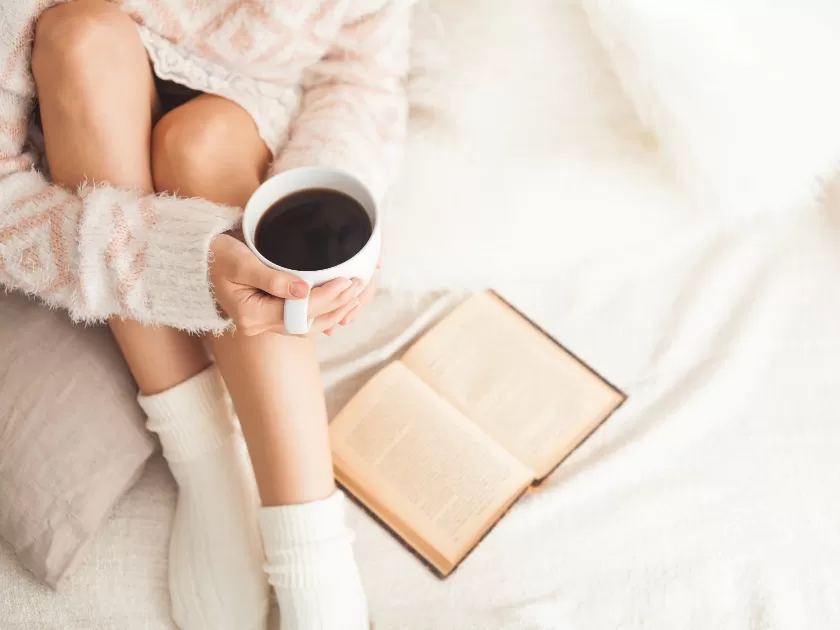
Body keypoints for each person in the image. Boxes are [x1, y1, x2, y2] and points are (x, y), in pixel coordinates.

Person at [0, 0, 412, 628]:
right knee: (80, 40)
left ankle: (311, 543)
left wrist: (312, 215)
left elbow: (360, 74)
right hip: (75, 114)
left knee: (200, 142)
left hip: (246, 112)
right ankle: (204, 456)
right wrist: (183, 265)